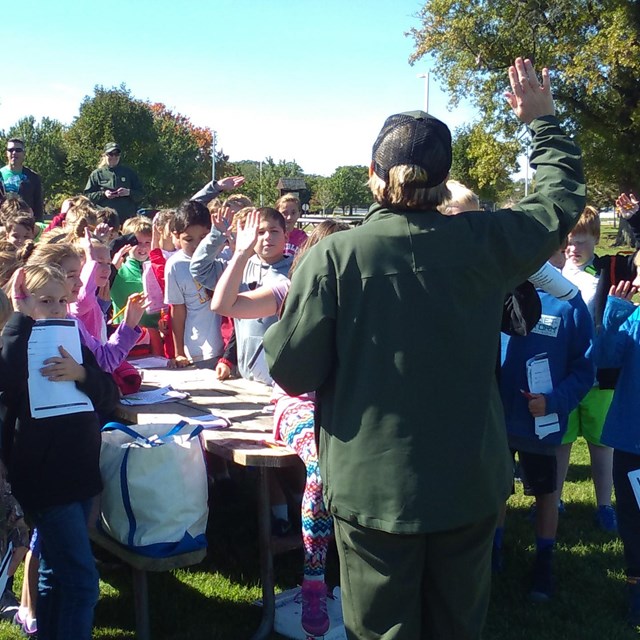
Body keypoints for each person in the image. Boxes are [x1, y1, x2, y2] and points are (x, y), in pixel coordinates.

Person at [262, 58, 586, 640]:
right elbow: (557, 205)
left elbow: (290, 369)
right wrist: (544, 124)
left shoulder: (334, 258)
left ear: (370, 174)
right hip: (467, 482)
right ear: (444, 180)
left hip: (372, 490)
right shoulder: (485, 244)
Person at [211, 215, 349, 637]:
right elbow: (224, 305)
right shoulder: (289, 290)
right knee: (323, 470)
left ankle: (359, 576)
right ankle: (312, 579)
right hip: (295, 405)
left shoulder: (363, 296)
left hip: (345, 407)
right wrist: (239, 252)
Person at [0, 264, 120, 640]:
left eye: (61, 301)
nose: (54, 310)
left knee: (55, 572)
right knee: (83, 583)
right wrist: (20, 317)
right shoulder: (17, 341)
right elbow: (5, 379)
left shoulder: (71, 341)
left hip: (80, 473)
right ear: (23, 300)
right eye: (44, 300)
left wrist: (81, 374)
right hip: (45, 479)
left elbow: (109, 394)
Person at [497, 246, 594, 601]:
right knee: (496, 490)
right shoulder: (500, 293)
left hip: (542, 423)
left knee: (546, 492)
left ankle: (544, 559)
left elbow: (584, 370)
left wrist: (553, 401)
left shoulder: (570, 303)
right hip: (498, 418)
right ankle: (494, 552)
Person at [559, 204, 640, 532]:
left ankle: (604, 505)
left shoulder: (611, 269)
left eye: (580, 241)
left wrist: (634, 219)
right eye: (567, 241)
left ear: (596, 238)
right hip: (563, 371)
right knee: (560, 441)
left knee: (600, 442)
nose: (572, 248)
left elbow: (638, 254)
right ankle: (557, 498)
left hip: (599, 374)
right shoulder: (552, 271)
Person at [190, 206, 292, 384]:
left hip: (281, 377)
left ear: (286, 236)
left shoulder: (295, 270)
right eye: (260, 232)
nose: (267, 237)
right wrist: (216, 236)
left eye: (274, 231)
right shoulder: (238, 267)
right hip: (246, 373)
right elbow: (199, 269)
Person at [593, 271, 640, 626]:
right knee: (633, 517)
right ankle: (635, 587)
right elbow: (605, 360)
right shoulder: (634, 316)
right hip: (632, 438)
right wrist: (615, 314)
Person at [164, 200, 223, 367]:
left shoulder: (222, 256)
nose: (197, 245)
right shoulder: (175, 265)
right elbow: (177, 309)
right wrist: (179, 352)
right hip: (197, 349)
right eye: (189, 239)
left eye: (203, 238)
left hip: (228, 346)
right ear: (176, 236)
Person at [84, 143, 144, 224]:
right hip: (104, 220)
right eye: (111, 154)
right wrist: (103, 194)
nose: (114, 157)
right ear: (104, 155)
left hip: (126, 220)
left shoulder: (129, 173)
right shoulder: (97, 174)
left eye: (117, 154)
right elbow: (87, 197)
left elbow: (140, 194)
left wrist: (128, 192)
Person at [0, 139, 44, 221]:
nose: (14, 153)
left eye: (18, 150)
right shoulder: (0, 175)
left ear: (24, 154)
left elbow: (38, 205)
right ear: (6, 153)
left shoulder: (33, 177)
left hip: (24, 225)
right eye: (10, 150)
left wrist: (39, 224)